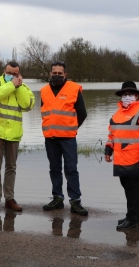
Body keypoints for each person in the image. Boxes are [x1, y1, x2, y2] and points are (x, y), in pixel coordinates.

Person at [105, 81, 139, 230]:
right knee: (127, 188)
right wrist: (108, 150)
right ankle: (130, 216)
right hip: (121, 159)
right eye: (124, 94)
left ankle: (133, 219)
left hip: (136, 158)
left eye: (130, 94)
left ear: (136, 95)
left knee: (133, 189)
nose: (127, 96)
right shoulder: (116, 115)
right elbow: (112, 135)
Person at [40, 61, 88, 215]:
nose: (57, 75)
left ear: (65, 75)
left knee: (71, 169)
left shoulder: (74, 89)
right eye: (54, 73)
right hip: (50, 138)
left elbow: (82, 113)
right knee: (54, 169)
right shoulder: (44, 91)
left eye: (60, 73)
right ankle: (57, 198)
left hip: (68, 138)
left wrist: (72, 128)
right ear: (50, 74)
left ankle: (75, 201)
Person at [0, 61, 35, 213]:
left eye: (15, 74)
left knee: (11, 168)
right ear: (4, 71)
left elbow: (28, 105)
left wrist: (18, 86)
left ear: (19, 74)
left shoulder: (23, 87)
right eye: (9, 73)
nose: (12, 76)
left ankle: (9, 199)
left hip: (13, 135)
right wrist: (11, 85)